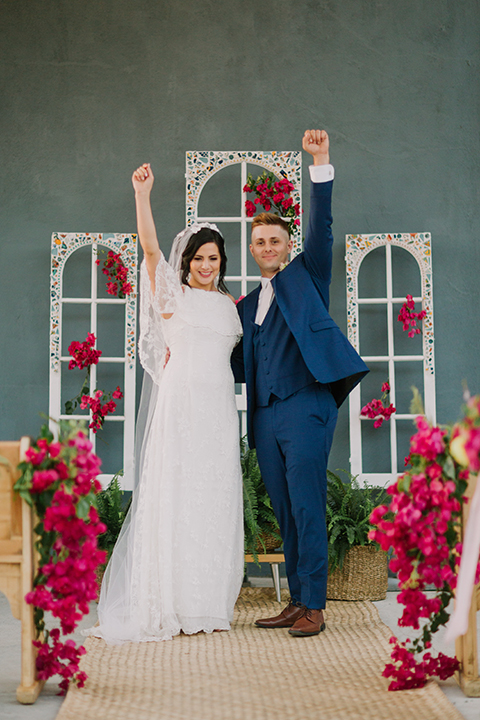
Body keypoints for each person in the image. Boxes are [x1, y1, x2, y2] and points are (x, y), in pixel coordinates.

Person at [89, 163, 244, 643]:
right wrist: (143, 194)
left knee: (214, 498)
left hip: (218, 412)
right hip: (180, 408)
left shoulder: (230, 306)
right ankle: (170, 600)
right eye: (199, 257)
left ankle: (207, 602)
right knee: (177, 495)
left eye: (214, 258)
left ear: (222, 262)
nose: (206, 265)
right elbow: (151, 248)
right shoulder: (172, 297)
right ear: (187, 262)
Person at [231, 130, 369, 637]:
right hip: (265, 414)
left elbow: (323, 224)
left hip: (307, 404)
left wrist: (321, 163)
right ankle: (296, 597)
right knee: (285, 508)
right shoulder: (246, 306)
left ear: (288, 247)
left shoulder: (308, 275)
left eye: (275, 241)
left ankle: (315, 605)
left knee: (308, 503)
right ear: (252, 250)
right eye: (260, 242)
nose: (267, 247)